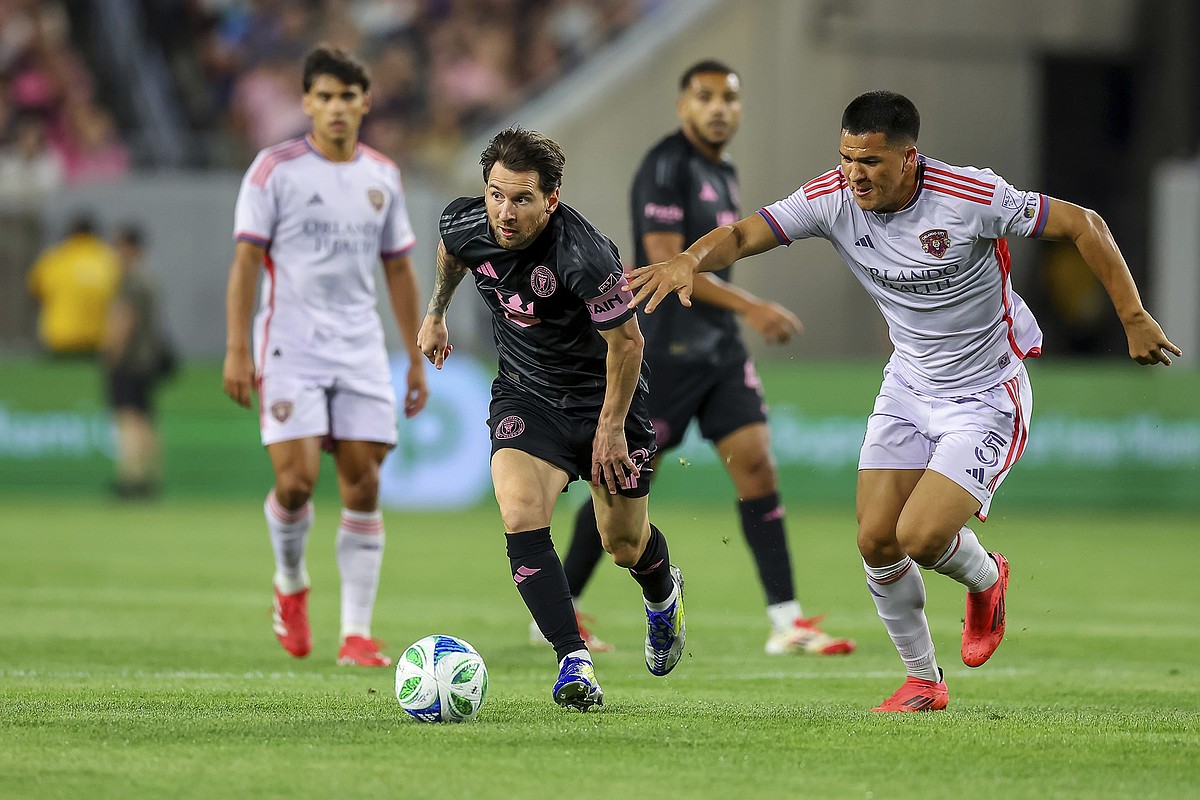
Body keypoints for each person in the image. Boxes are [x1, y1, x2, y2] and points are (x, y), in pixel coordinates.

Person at [629, 90, 1180, 712]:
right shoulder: (831, 198)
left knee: (919, 535)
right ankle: (924, 682)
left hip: (985, 393)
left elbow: (1084, 224)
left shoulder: (970, 196)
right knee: (875, 541)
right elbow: (741, 233)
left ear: (909, 157)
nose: (855, 174)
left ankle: (986, 578)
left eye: (870, 161)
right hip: (908, 385)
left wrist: (1133, 317)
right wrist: (689, 259)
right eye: (846, 158)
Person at [552, 59, 856, 657]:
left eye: (729, 98)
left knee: (758, 467)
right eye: (705, 96)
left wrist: (736, 317)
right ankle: (560, 611)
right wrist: (751, 306)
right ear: (682, 105)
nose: (719, 108)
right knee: (623, 482)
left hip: (719, 352)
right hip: (664, 351)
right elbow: (669, 265)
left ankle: (787, 621)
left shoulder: (723, 169)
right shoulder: (665, 167)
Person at [417, 126, 686, 711]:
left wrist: (609, 429)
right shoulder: (465, 221)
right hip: (527, 395)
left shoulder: (584, 256)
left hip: (603, 400)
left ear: (551, 198)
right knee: (520, 512)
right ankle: (573, 660)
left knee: (623, 544)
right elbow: (451, 252)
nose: (504, 212)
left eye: (521, 199)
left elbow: (628, 345)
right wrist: (436, 312)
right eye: (495, 195)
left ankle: (663, 595)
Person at [222, 46, 428, 668]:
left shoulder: (382, 175)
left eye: (348, 97)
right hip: (291, 344)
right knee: (296, 482)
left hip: (360, 346)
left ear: (366, 103)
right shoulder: (273, 170)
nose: (337, 107)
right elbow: (246, 262)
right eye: (326, 96)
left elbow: (399, 269)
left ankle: (356, 634)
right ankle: (290, 583)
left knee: (364, 483)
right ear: (307, 102)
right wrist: (237, 348)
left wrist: (415, 354)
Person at [101, 225, 173, 499]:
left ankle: (131, 478)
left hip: (130, 361)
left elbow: (125, 317)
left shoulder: (130, 281)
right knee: (145, 419)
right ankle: (149, 477)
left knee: (128, 419)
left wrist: (112, 351)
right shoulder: (151, 280)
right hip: (148, 359)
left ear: (130, 248)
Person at [26, 215, 121, 357]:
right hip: (96, 342)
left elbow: (35, 293)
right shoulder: (109, 261)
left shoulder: (54, 258)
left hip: (60, 339)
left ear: (71, 233)